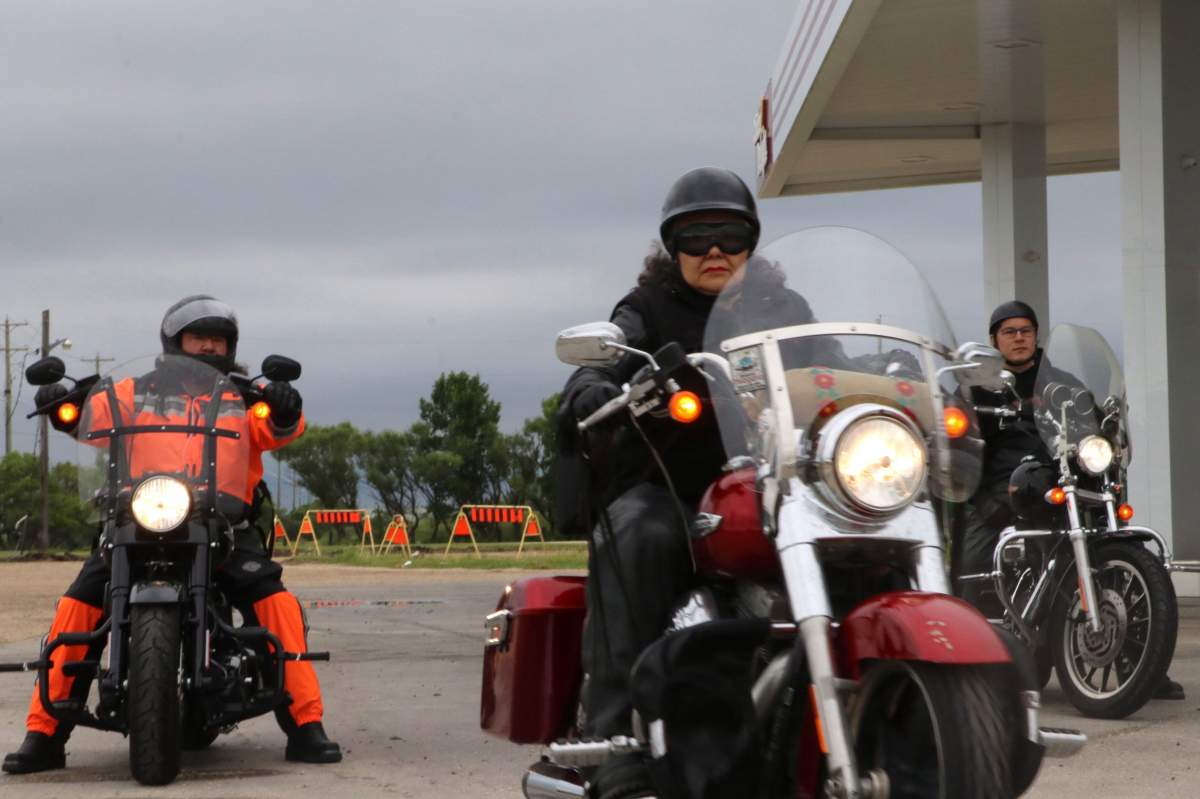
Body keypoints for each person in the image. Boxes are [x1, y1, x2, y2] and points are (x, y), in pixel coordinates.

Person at [3, 295, 342, 775]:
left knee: (276, 603)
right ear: (174, 342)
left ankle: (306, 725)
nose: (208, 346)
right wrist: (64, 405)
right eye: (198, 337)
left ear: (230, 346)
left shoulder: (244, 396)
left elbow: (278, 430)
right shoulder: (131, 392)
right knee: (77, 604)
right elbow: (90, 421)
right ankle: (44, 734)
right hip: (138, 518)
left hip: (225, 525)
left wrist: (285, 408)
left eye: (217, 339)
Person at [555, 166, 761, 792]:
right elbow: (613, 351)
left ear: (750, 241)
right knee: (639, 536)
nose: (715, 250)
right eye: (696, 237)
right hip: (668, 485)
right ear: (674, 248)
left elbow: (822, 360)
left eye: (729, 234)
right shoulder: (647, 306)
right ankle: (611, 738)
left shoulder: (782, 306)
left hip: (769, 487)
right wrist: (592, 383)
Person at [960, 300, 1183, 699]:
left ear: (1036, 335)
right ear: (994, 339)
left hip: (1062, 481)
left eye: (1026, 330)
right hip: (1003, 489)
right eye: (1009, 332)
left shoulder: (1059, 380)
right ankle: (966, 660)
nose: (1019, 338)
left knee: (1116, 555)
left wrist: (1110, 428)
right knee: (973, 562)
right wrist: (984, 499)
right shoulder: (977, 387)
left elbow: (1096, 418)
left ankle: (1140, 662)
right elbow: (962, 447)